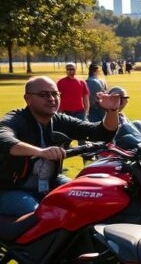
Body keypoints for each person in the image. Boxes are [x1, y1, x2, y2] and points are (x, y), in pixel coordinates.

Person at [0, 77, 121, 217]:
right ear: (28, 99)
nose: (51, 98)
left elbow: (101, 133)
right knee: (44, 217)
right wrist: (41, 152)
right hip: (11, 189)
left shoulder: (60, 120)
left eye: (55, 94)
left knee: (89, 198)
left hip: (51, 181)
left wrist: (112, 110)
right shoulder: (17, 119)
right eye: (43, 94)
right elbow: (3, 139)